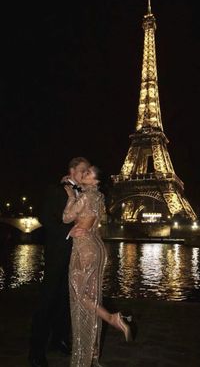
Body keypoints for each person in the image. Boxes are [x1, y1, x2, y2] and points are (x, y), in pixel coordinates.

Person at [63, 165, 132, 367]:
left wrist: (70, 195)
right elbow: (88, 219)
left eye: (88, 172)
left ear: (96, 181)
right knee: (91, 296)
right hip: (97, 248)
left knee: (78, 295)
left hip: (84, 249)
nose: (84, 173)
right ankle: (92, 355)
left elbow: (66, 217)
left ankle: (112, 318)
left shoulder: (85, 197)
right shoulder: (99, 197)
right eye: (84, 171)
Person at [28, 156, 91, 367]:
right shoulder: (56, 190)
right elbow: (45, 218)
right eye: (83, 170)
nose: (86, 174)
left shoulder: (83, 193)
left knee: (66, 300)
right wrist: (70, 230)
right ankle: (36, 352)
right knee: (47, 302)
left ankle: (59, 339)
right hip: (58, 253)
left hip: (76, 255)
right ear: (72, 170)